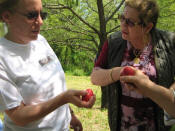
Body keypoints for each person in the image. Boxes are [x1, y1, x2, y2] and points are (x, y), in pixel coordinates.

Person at [0, 0, 96, 131]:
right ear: (7, 17)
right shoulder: (2, 56)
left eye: (42, 14)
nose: (40, 21)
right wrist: (64, 99)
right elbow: (18, 115)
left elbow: (53, 87)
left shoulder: (40, 41)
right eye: (31, 15)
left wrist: (70, 115)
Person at [90, 0, 175, 130]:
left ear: (147, 27)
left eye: (130, 22)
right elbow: (95, 77)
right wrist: (119, 72)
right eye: (122, 18)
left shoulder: (169, 43)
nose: (123, 24)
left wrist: (147, 87)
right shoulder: (113, 42)